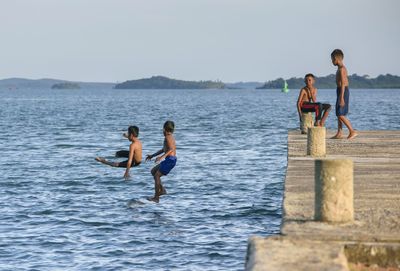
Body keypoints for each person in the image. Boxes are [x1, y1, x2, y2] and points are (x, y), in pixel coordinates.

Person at [145, 121, 177, 203]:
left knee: (157, 176)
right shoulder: (169, 137)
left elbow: (171, 150)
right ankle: (162, 190)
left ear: (165, 129)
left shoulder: (168, 137)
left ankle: (156, 197)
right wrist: (152, 155)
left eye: (162, 129)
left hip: (170, 160)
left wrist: (161, 157)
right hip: (169, 160)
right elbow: (163, 149)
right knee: (153, 171)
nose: (162, 131)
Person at [331, 49, 358, 139]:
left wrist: (341, 97)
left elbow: (343, 83)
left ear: (336, 59)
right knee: (338, 112)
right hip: (339, 90)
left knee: (340, 114)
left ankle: (352, 131)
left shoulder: (342, 69)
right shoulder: (339, 68)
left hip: (343, 91)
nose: (331, 61)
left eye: (332, 59)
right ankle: (339, 133)